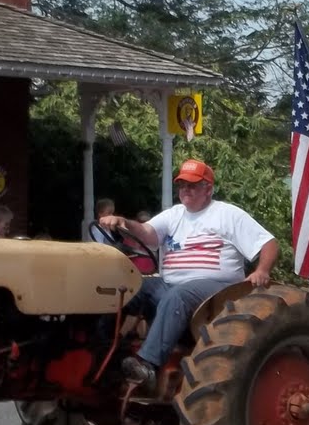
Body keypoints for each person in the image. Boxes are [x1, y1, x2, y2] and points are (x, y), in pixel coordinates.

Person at [100, 159, 278, 392]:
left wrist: (261, 270)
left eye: (192, 185)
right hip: (170, 283)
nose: (185, 190)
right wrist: (125, 223)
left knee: (178, 295)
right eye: (182, 185)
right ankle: (103, 351)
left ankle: (147, 365)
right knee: (128, 287)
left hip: (218, 288)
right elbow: (148, 233)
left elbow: (269, 243)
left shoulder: (227, 214)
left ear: (208, 189)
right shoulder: (174, 215)